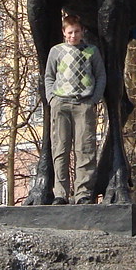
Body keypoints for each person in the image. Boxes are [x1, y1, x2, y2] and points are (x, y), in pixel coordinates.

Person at [43, 13, 105, 204]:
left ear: (82, 31)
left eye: (77, 32)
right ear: (64, 32)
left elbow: (101, 76)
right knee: (60, 149)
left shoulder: (91, 51)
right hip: (61, 104)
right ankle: (61, 194)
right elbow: (49, 76)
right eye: (70, 32)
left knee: (85, 149)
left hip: (84, 104)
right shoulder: (56, 51)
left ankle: (83, 194)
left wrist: (94, 99)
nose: (73, 36)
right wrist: (52, 98)